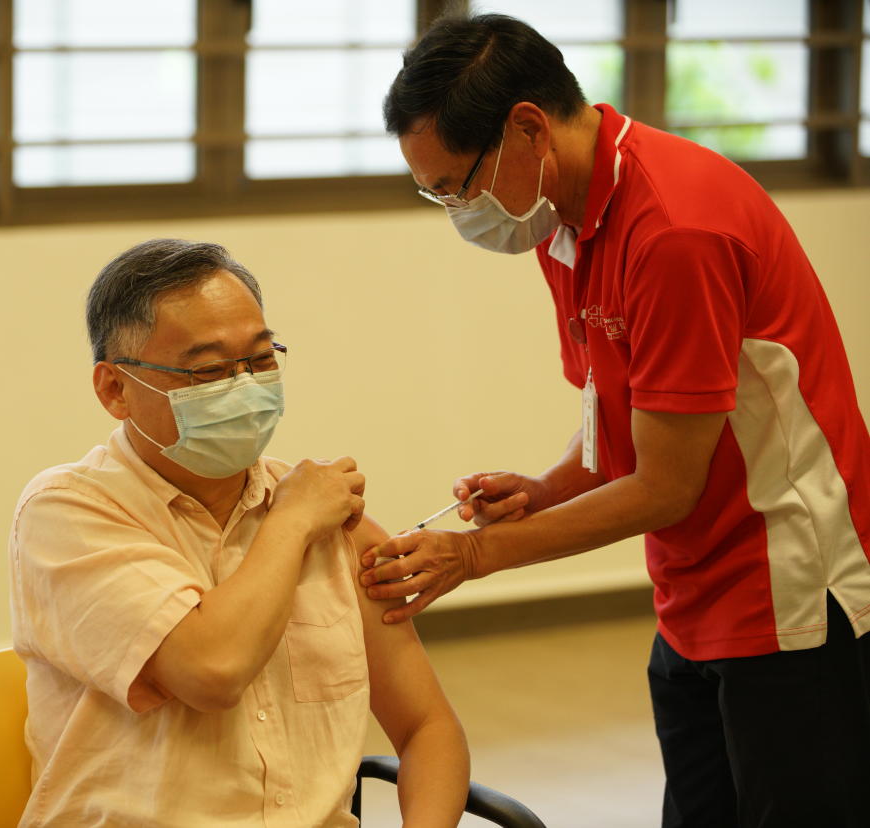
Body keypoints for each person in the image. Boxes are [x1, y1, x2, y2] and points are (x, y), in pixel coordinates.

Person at [365, 11, 870, 828]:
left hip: (784, 590)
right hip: (691, 590)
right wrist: (544, 490)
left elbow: (666, 486)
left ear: (527, 128)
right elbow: (621, 418)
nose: (455, 207)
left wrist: (475, 553)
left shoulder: (674, 229)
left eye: (456, 183)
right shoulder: (561, 215)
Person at [8, 239, 468, 826]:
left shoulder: (337, 525)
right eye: (209, 370)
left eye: (260, 358)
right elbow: (213, 670)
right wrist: (294, 521)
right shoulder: (67, 512)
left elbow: (428, 728)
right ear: (115, 390)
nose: (246, 386)